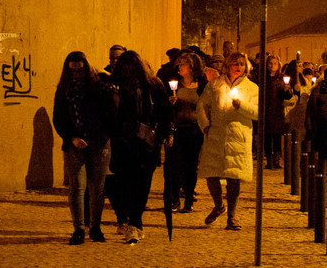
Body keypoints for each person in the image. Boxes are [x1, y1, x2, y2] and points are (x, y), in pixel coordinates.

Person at [53, 50, 115, 244]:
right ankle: (79, 228)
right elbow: (59, 117)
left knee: (97, 188)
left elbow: (110, 112)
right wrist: (71, 137)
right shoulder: (64, 89)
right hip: (74, 144)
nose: (76, 75)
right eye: (73, 71)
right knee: (77, 187)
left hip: (98, 142)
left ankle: (95, 227)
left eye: (80, 71)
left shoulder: (98, 86)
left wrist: (100, 134)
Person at [109, 50, 171, 244]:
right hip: (124, 143)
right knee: (126, 186)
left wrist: (166, 133)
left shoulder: (153, 87)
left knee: (142, 185)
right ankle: (133, 222)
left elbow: (164, 112)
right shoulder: (115, 87)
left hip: (146, 144)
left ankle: (134, 223)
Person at [197, 53, 259, 230]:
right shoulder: (215, 84)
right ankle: (219, 206)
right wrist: (206, 125)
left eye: (241, 64)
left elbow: (257, 112)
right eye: (234, 63)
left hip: (238, 136)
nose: (237, 66)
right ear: (227, 65)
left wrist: (242, 106)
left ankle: (232, 216)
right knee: (211, 174)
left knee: (234, 178)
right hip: (216, 134)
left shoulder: (251, 88)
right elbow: (202, 105)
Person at [165, 51, 208, 213]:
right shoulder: (175, 85)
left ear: (192, 67)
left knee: (190, 166)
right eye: (179, 64)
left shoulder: (201, 86)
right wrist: (170, 102)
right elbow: (165, 106)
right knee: (174, 165)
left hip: (193, 131)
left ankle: (188, 200)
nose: (179, 67)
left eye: (183, 64)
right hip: (176, 129)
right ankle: (174, 199)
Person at [306, 66, 327, 159]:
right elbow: (311, 108)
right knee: (322, 152)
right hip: (321, 124)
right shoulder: (318, 90)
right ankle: (322, 171)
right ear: (325, 77)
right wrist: (309, 126)